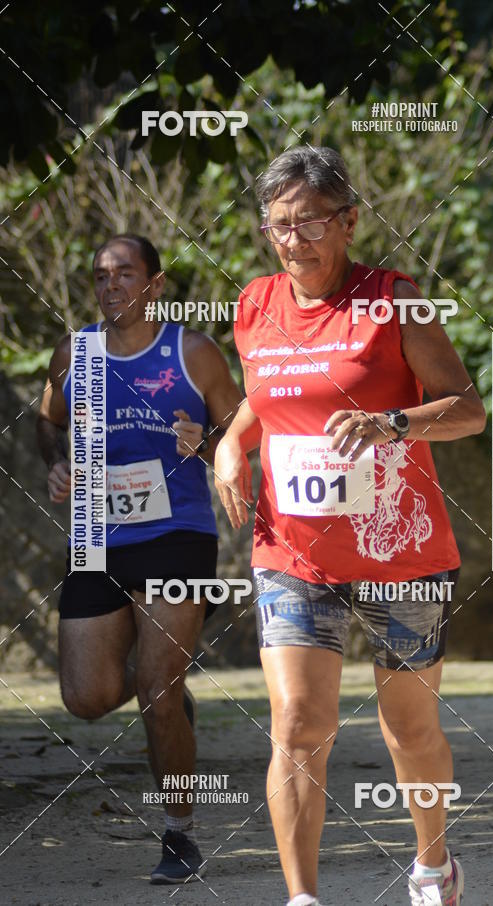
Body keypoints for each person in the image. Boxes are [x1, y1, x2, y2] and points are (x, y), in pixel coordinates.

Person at [214, 148, 486, 906]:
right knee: (299, 724)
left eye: (308, 223)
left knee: (409, 729)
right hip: (292, 550)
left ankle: (432, 867)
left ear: (349, 221)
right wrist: (231, 447)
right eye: (278, 226)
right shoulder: (256, 305)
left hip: (400, 551)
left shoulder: (394, 300)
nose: (293, 240)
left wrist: (391, 423)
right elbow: (263, 400)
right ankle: (303, 899)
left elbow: (468, 409)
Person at [36, 233, 242, 884]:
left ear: (155, 285)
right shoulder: (77, 354)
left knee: (155, 693)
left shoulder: (192, 352)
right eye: (100, 276)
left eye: (125, 274)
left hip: (177, 534)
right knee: (87, 697)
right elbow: (48, 419)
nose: (111, 285)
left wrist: (207, 442)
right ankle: (170, 694)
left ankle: (179, 834)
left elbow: (244, 437)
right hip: (97, 536)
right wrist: (57, 462)